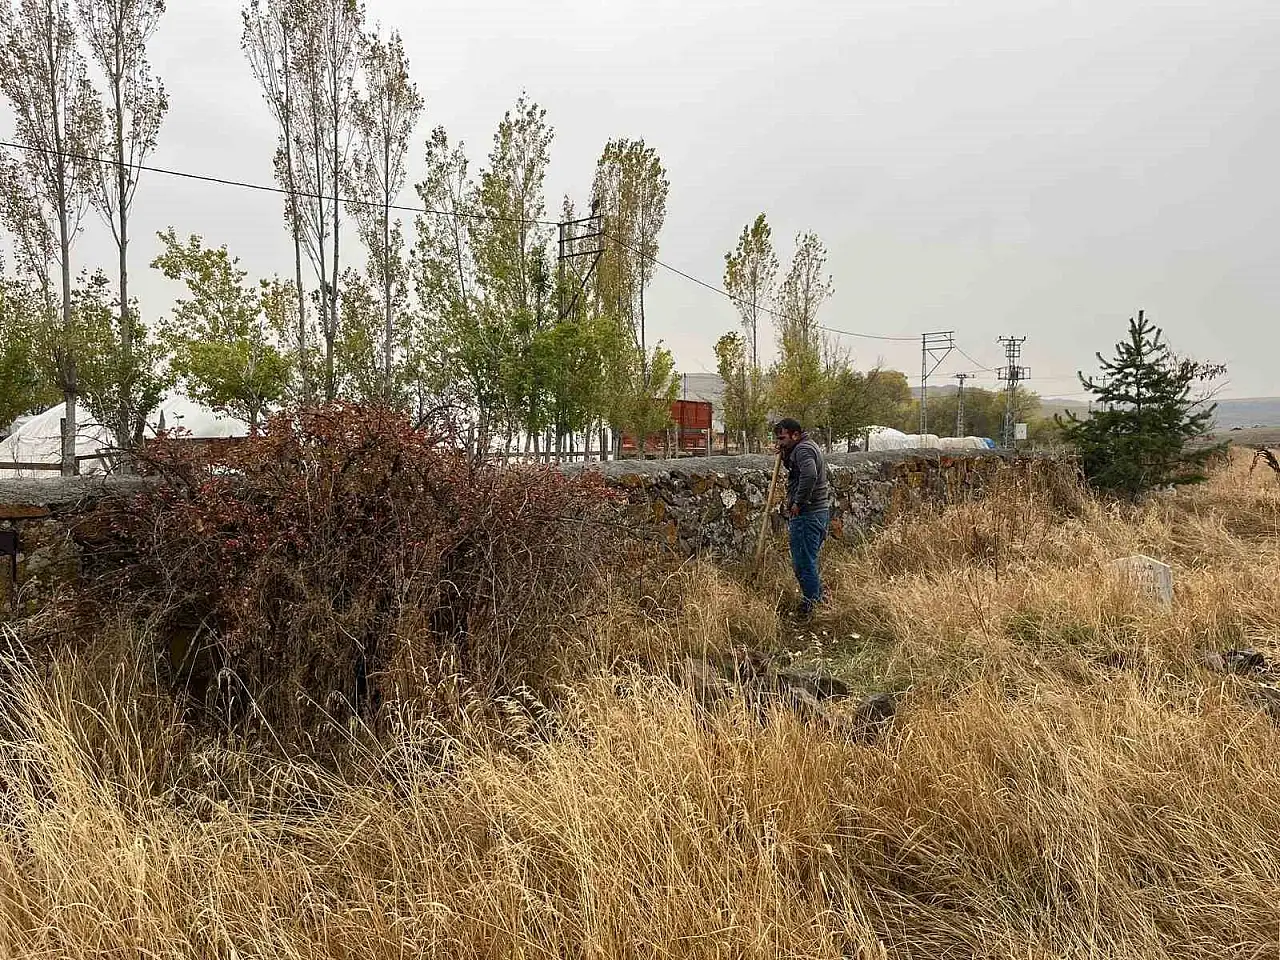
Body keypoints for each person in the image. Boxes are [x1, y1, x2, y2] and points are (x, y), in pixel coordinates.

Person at [773, 418, 830, 617]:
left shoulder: (803, 450)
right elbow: (799, 470)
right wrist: (785, 452)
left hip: (808, 514)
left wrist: (798, 503)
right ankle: (817, 599)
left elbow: (809, 475)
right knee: (807, 560)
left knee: (803, 563)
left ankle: (813, 606)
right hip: (817, 512)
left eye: (782, 438)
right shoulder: (804, 447)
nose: (779, 442)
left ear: (795, 435)